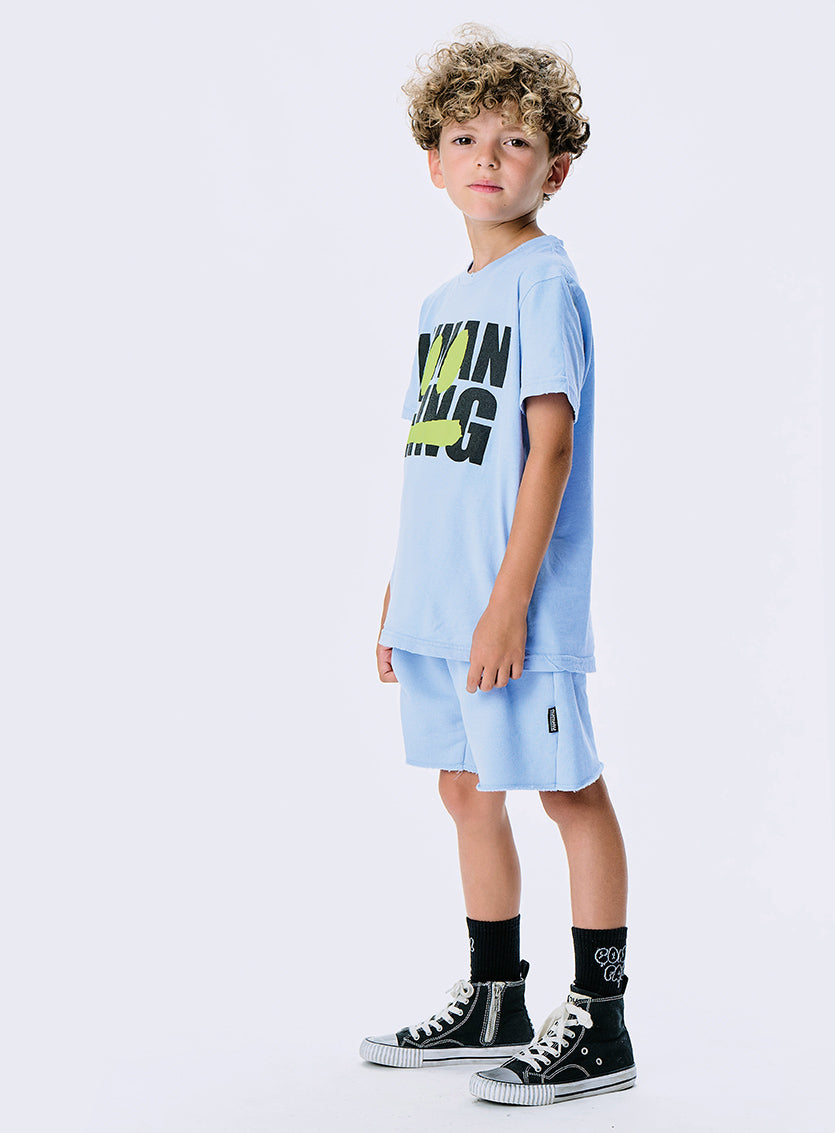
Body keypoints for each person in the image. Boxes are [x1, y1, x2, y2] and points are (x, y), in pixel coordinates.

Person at [359, 26, 634, 1106]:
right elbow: (437, 456)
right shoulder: (443, 304)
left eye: (514, 141)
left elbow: (548, 447)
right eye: (464, 138)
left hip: (514, 608)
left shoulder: (543, 283)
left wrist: (508, 603)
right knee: (464, 786)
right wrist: (404, 591)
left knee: (569, 790)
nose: (487, 157)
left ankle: (601, 1020)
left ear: (553, 171)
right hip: (444, 602)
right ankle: (494, 998)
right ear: (432, 162)